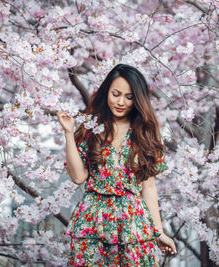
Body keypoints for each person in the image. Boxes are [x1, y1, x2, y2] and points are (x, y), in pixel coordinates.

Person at [57, 64, 176, 266]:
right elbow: (78, 177)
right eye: (116, 94)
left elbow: (148, 187)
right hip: (93, 222)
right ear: (106, 93)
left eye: (129, 97)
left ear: (138, 100)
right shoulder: (91, 128)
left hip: (133, 224)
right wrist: (69, 132)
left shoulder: (145, 134)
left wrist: (159, 232)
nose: (121, 102)